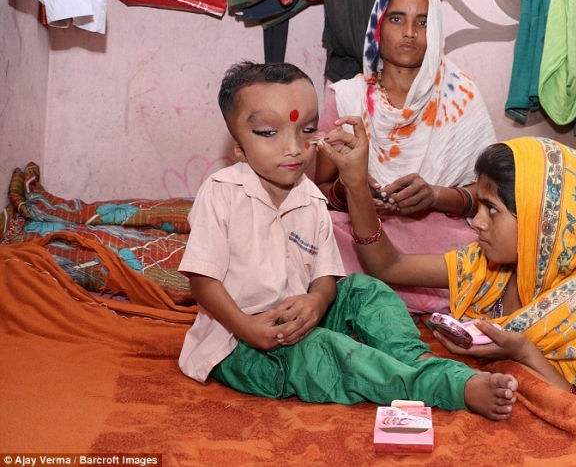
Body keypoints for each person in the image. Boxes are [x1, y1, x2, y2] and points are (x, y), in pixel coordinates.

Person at [176, 61, 518, 420]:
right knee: (327, 351)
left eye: (307, 130)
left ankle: (414, 357)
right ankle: (444, 385)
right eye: (268, 132)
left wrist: (317, 301)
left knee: (363, 289)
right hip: (241, 342)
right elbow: (202, 279)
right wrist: (247, 328)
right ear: (240, 148)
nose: (294, 147)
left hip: (305, 317)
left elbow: (326, 275)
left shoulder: (310, 197)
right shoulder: (221, 192)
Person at [318, 119, 576, 428]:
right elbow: (388, 265)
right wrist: (356, 183)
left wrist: (523, 352)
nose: (477, 221)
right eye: (480, 207)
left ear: (540, 224)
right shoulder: (493, 269)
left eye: (493, 209)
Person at [314, 0, 498, 315]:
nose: (410, 31)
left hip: (436, 229)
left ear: (436, 30)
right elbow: (319, 188)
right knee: (316, 234)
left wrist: (435, 196)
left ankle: (375, 300)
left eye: (423, 22)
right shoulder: (346, 97)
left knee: (485, 252)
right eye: (397, 19)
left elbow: (488, 195)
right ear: (377, 28)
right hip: (361, 228)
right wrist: (354, 192)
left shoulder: (461, 96)